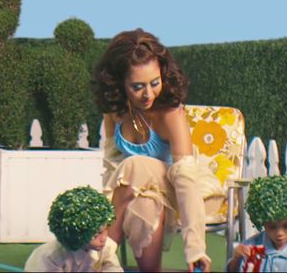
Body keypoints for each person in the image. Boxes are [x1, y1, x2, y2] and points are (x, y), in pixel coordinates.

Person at [92, 29, 223, 272]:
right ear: (119, 84)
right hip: (136, 189)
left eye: (155, 83)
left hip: (186, 192)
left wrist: (195, 249)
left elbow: (185, 179)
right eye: (137, 86)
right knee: (143, 201)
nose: (148, 94)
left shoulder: (170, 113)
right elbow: (112, 168)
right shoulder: (114, 111)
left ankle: (99, 260)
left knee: (133, 165)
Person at [25, 186, 123, 272]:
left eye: (106, 229)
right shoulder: (51, 257)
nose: (104, 238)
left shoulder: (106, 247)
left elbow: (114, 269)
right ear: (77, 235)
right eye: (96, 235)